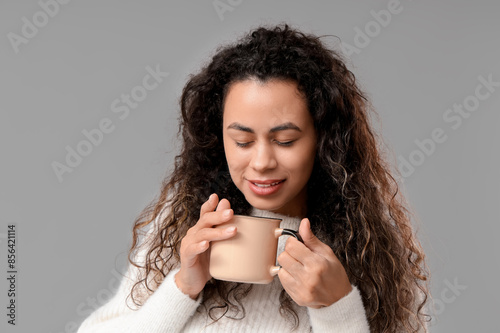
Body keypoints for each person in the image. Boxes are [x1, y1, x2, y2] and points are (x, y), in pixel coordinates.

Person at [77, 23, 430, 332]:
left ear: (323, 140)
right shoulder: (186, 221)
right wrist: (183, 286)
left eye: (285, 140)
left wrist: (338, 309)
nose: (261, 162)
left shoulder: (369, 246)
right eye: (242, 141)